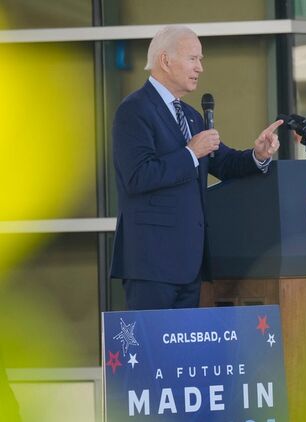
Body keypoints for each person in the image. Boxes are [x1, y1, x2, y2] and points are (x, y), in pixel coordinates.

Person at [110, 26, 282, 310]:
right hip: (151, 264)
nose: (200, 68)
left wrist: (259, 154)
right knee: (154, 340)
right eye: (193, 59)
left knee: (185, 341)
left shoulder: (190, 116)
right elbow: (137, 176)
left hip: (190, 265)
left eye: (200, 60)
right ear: (165, 60)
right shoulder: (134, 110)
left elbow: (223, 162)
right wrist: (190, 153)